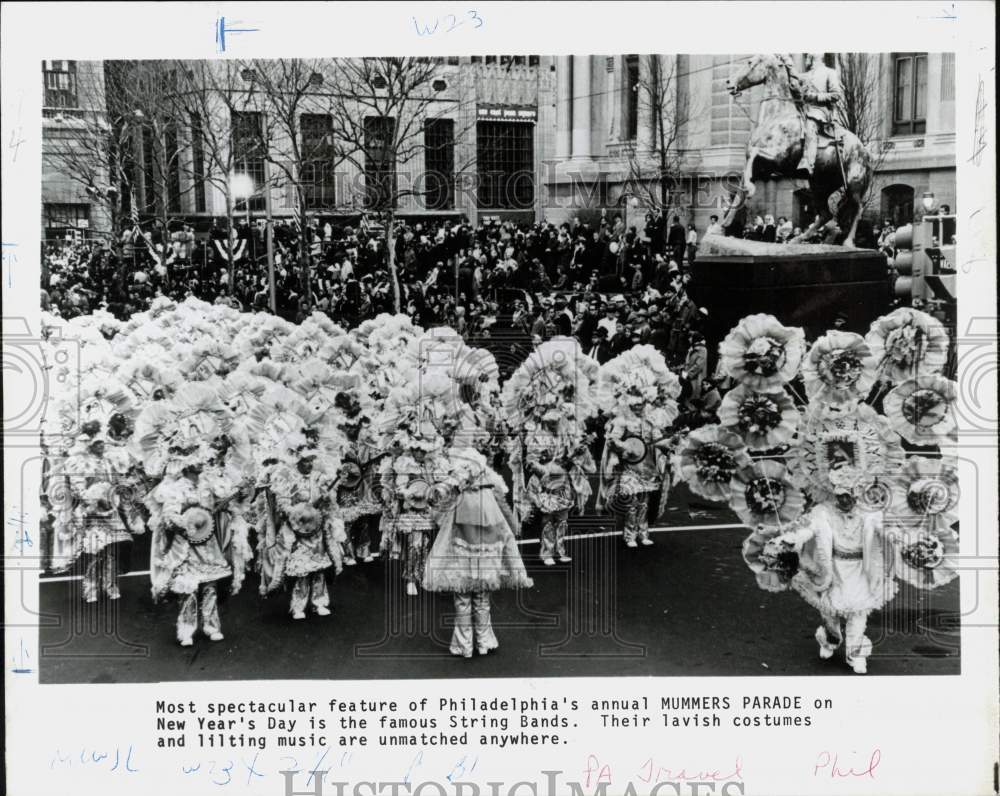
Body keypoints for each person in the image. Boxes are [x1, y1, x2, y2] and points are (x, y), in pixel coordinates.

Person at [422, 448, 533, 658]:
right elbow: (506, 525)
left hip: (461, 554)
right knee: (482, 598)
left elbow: (438, 510)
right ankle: (483, 642)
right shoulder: (490, 491)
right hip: (487, 554)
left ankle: (464, 646)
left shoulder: (459, 492)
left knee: (462, 599)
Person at [793, 52, 844, 178]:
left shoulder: (829, 72)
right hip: (804, 108)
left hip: (820, 110)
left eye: (807, 57)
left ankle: (808, 163)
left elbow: (836, 95)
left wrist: (815, 96)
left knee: (811, 124)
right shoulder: (805, 76)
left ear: (812, 58)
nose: (805, 61)